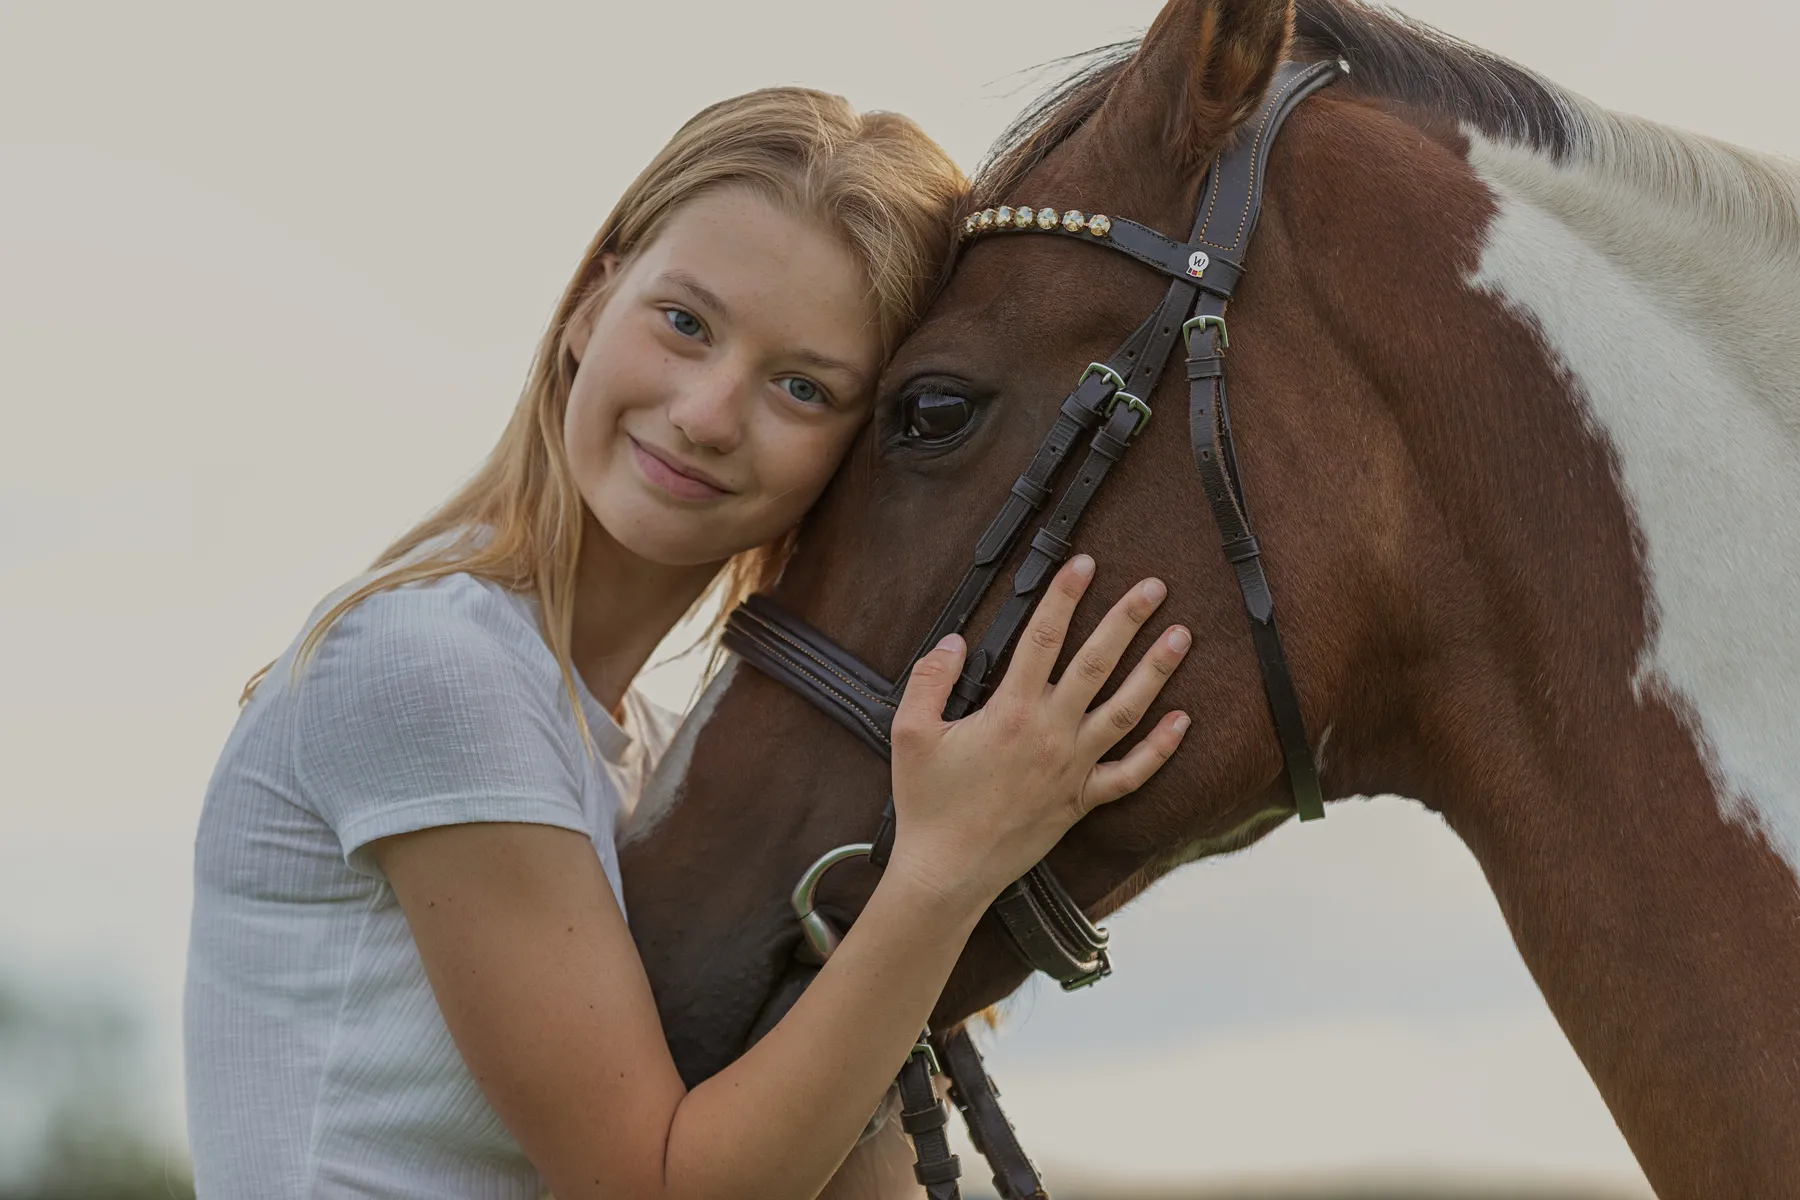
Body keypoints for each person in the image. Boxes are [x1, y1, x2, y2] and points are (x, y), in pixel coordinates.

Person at [183, 86, 1194, 1199]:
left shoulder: (656, 769)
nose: (709, 413)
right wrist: (946, 870)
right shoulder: (432, 667)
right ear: (589, 302)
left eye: (802, 386)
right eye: (685, 324)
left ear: (855, 459)